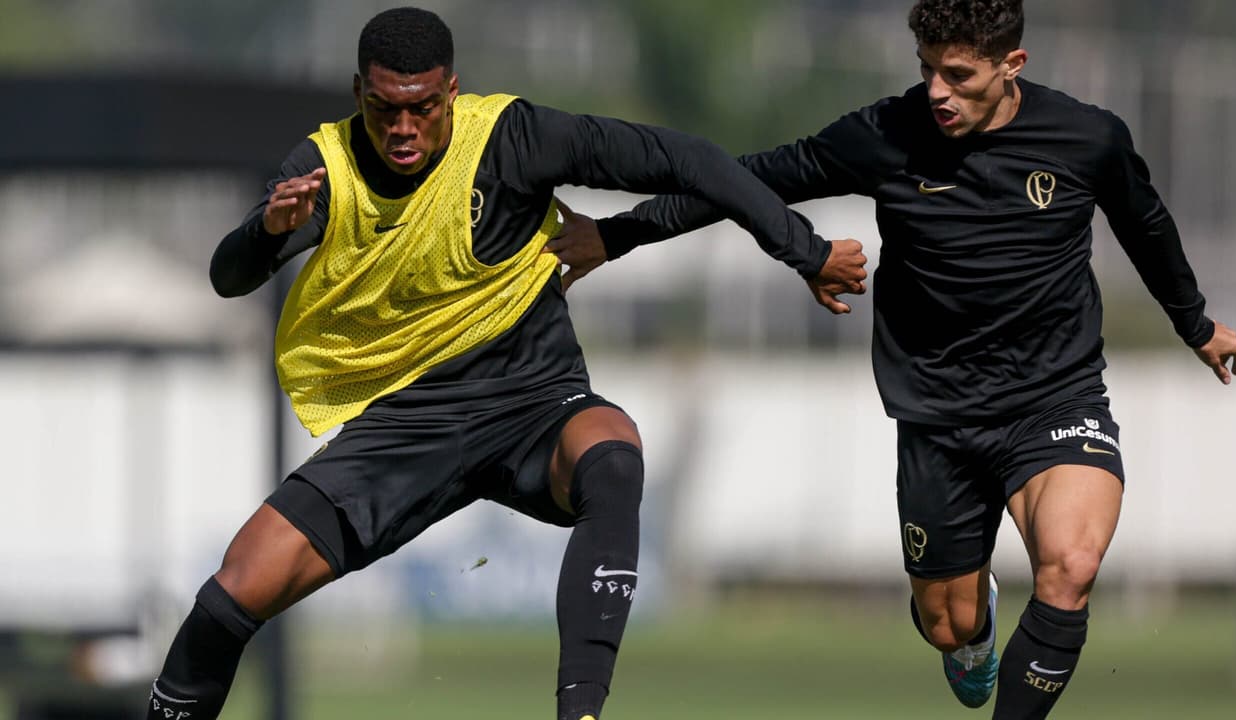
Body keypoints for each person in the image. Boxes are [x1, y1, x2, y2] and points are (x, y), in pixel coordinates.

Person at [144, 7, 868, 720]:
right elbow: (228, 276)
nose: (403, 129)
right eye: (384, 109)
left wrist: (802, 252)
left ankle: (580, 712)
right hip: (408, 425)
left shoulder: (515, 138)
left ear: (451, 93)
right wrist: (267, 232)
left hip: (533, 401)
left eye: (422, 109)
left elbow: (692, 161)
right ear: (358, 93)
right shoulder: (323, 167)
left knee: (614, 454)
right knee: (238, 585)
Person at [544, 0, 1236, 716]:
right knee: (951, 624)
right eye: (926, 70)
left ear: (1013, 66)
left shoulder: (1087, 138)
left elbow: (1147, 226)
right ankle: (972, 638)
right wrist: (619, 234)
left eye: (958, 74)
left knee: (1071, 567)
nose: (938, 90)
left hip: (1055, 399)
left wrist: (1196, 326)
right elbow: (751, 180)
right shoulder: (885, 134)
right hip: (936, 415)